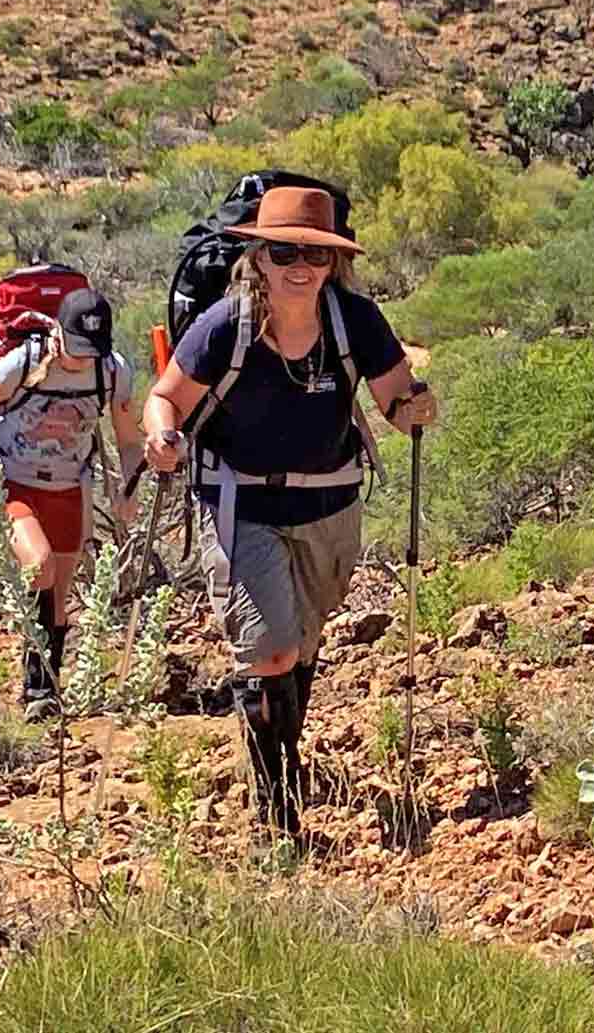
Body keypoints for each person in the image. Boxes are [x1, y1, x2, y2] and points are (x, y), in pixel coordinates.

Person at [142, 186, 437, 838]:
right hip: (242, 503)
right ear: (260, 257)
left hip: (330, 503)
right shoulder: (225, 326)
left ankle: (283, 760)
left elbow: (394, 398)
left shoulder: (354, 321)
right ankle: (278, 814)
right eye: (284, 251)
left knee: (301, 643)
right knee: (270, 649)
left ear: (333, 261)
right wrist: (161, 435)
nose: (300, 265)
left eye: (315, 253)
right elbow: (165, 398)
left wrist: (414, 407)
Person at [0, 288, 143, 719]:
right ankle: (35, 689)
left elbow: (127, 438)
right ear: (58, 334)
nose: (84, 358)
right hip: (9, 480)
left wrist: (129, 486)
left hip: (68, 485)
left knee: (60, 594)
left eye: (93, 349)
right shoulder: (24, 363)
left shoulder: (112, 371)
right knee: (40, 566)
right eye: (77, 348)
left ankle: (45, 688)